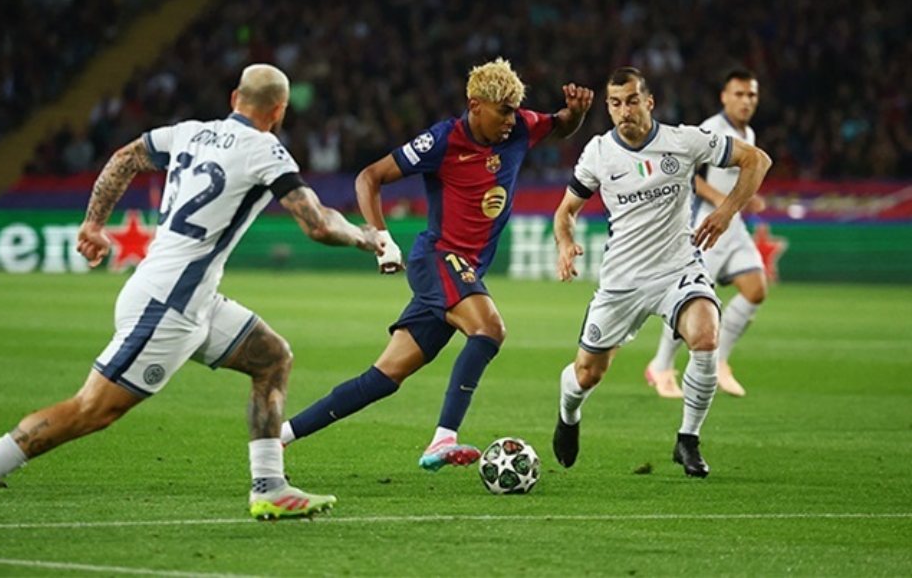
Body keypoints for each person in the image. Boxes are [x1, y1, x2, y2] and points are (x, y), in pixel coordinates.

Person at [0, 64, 384, 537]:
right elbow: (317, 223)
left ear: (234, 97)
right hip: (168, 306)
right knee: (93, 410)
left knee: (272, 357)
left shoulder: (186, 132)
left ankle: (269, 486)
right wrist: (367, 238)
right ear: (279, 111)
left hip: (189, 298)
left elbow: (125, 158)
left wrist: (94, 223)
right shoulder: (264, 149)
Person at [280, 58, 594, 470]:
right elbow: (369, 177)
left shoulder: (519, 126)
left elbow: (559, 124)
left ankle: (279, 436)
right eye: (502, 111)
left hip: (463, 271)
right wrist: (382, 238)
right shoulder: (443, 140)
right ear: (475, 105)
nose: (510, 120)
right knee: (489, 329)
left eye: (515, 111)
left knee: (383, 378)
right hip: (438, 258)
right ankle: (444, 438)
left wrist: (577, 113)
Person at [552, 67, 770, 477]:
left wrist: (726, 212)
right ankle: (568, 415)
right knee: (587, 374)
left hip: (678, 271)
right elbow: (566, 211)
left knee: (705, 335)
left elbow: (756, 160)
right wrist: (565, 243)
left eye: (632, 101)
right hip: (622, 282)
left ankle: (688, 439)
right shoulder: (599, 152)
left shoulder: (683, 141)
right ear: (608, 108)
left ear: (648, 102)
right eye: (616, 103)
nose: (624, 111)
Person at [645, 69, 766, 398]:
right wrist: (720, 200)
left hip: (733, 226)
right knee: (691, 300)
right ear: (724, 97)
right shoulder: (713, 129)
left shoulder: (748, 133)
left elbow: (738, 179)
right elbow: (688, 172)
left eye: (751, 95)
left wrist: (745, 198)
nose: (746, 101)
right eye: (739, 94)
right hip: (707, 225)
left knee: (755, 289)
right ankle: (660, 366)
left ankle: (720, 361)